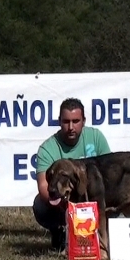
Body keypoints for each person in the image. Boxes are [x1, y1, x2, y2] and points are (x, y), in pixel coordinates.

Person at [32, 98, 111, 250]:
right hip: (65, 203)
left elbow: (109, 176)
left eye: (76, 121)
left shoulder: (96, 137)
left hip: (96, 201)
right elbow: (43, 187)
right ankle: (60, 231)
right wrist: (69, 205)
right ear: (59, 121)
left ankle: (103, 239)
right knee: (40, 205)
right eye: (66, 121)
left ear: (84, 121)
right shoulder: (47, 148)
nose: (71, 127)